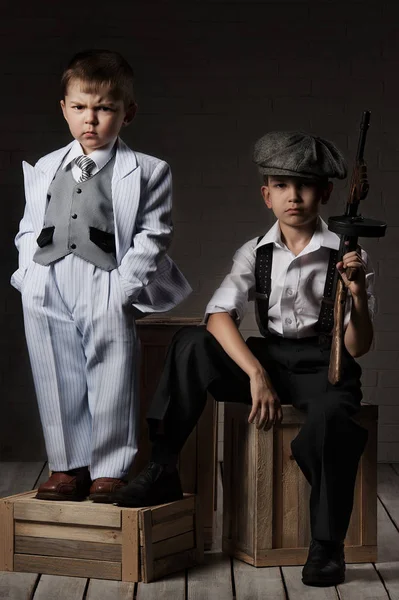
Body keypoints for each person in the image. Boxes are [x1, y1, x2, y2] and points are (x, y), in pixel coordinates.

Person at [113, 131, 375, 587]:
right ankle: (164, 465)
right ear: (266, 195)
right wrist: (256, 373)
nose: (294, 196)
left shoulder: (345, 253)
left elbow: (356, 348)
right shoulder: (254, 252)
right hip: (272, 357)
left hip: (322, 365)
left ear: (326, 192)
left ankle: (327, 546)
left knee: (334, 421)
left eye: (307, 185)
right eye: (282, 185)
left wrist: (357, 294)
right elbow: (218, 315)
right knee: (190, 344)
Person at [11, 49, 191, 504]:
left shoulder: (147, 170)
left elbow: (155, 234)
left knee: (111, 370)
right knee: (54, 371)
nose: (90, 119)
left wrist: (124, 288)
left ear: (127, 113)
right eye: (79, 108)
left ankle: (109, 468)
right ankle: (67, 466)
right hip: (49, 277)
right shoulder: (46, 166)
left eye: (104, 108)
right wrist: (27, 275)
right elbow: (30, 227)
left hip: (107, 277)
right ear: (64, 109)